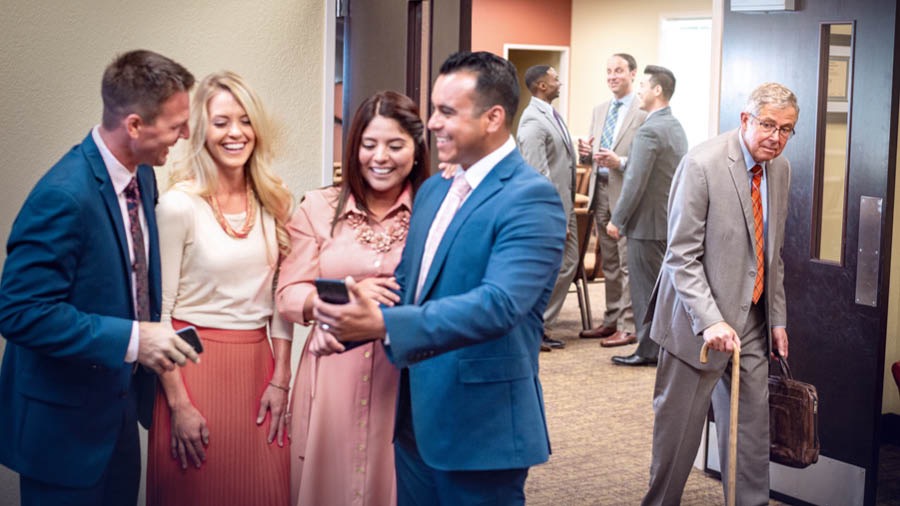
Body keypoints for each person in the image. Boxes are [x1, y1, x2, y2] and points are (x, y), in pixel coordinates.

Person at [313, 51, 567, 506]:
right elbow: (407, 287)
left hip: (481, 431)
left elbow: (500, 305)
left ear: (493, 118)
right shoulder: (434, 190)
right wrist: (344, 325)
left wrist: (384, 326)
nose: (430, 123)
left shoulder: (531, 198)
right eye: (433, 109)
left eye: (447, 112)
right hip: (415, 421)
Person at [0, 50, 199, 505]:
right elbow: (19, 312)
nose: (186, 134)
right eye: (176, 125)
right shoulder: (62, 196)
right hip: (63, 432)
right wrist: (133, 340)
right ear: (134, 126)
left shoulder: (143, 176)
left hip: (118, 416)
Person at [642, 82, 798, 505]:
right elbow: (681, 256)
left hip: (752, 321)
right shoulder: (702, 164)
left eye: (786, 130)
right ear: (745, 120)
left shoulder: (779, 170)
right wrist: (710, 319)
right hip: (696, 325)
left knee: (750, 434)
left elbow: (772, 253)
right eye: (768, 125)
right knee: (678, 438)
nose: (776, 137)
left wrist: (777, 319)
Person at [145, 71, 294, 505]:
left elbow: (281, 299)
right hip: (192, 373)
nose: (236, 133)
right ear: (199, 131)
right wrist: (178, 404)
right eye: (222, 121)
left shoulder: (274, 199)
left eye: (245, 121)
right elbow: (159, 315)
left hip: (260, 374)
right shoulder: (178, 206)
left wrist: (281, 378)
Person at [276, 90, 429, 506]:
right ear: (354, 147)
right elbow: (288, 294)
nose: (380, 156)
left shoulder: (434, 212)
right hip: (331, 373)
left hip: (403, 378)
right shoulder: (319, 207)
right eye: (369, 144)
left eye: (395, 145)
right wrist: (343, 297)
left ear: (416, 151)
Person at [606, 65, 688, 367]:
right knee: (661, 290)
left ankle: (648, 350)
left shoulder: (650, 129)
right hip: (666, 220)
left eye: (643, 85)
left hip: (646, 224)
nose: (638, 90)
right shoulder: (674, 125)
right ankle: (659, 346)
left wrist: (618, 219)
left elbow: (635, 181)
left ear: (657, 91)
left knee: (645, 292)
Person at [577, 53, 647, 347]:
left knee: (626, 259)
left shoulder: (643, 112)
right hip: (599, 190)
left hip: (626, 191)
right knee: (610, 262)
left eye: (618, 71)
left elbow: (646, 159)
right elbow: (590, 157)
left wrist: (621, 161)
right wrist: (584, 151)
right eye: (608, 71)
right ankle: (611, 319)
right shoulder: (599, 110)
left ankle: (628, 325)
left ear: (632, 73)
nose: (612, 76)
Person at [517, 64, 578, 352]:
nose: (560, 83)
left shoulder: (551, 114)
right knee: (550, 267)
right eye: (555, 79)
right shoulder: (532, 122)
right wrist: (553, 215)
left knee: (566, 264)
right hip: (550, 210)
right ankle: (531, 325)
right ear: (542, 85)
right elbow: (537, 173)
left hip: (566, 205)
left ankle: (538, 324)